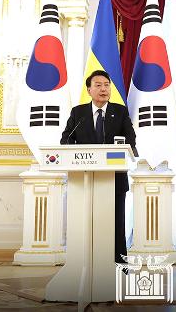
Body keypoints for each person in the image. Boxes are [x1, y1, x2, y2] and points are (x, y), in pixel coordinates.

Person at [61, 69, 137, 264]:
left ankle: (120, 265)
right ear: (89, 90)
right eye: (98, 85)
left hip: (115, 179)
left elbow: (131, 139)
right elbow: (66, 139)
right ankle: (84, 262)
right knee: (86, 223)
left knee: (116, 224)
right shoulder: (79, 113)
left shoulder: (119, 111)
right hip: (85, 179)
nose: (104, 89)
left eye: (106, 85)